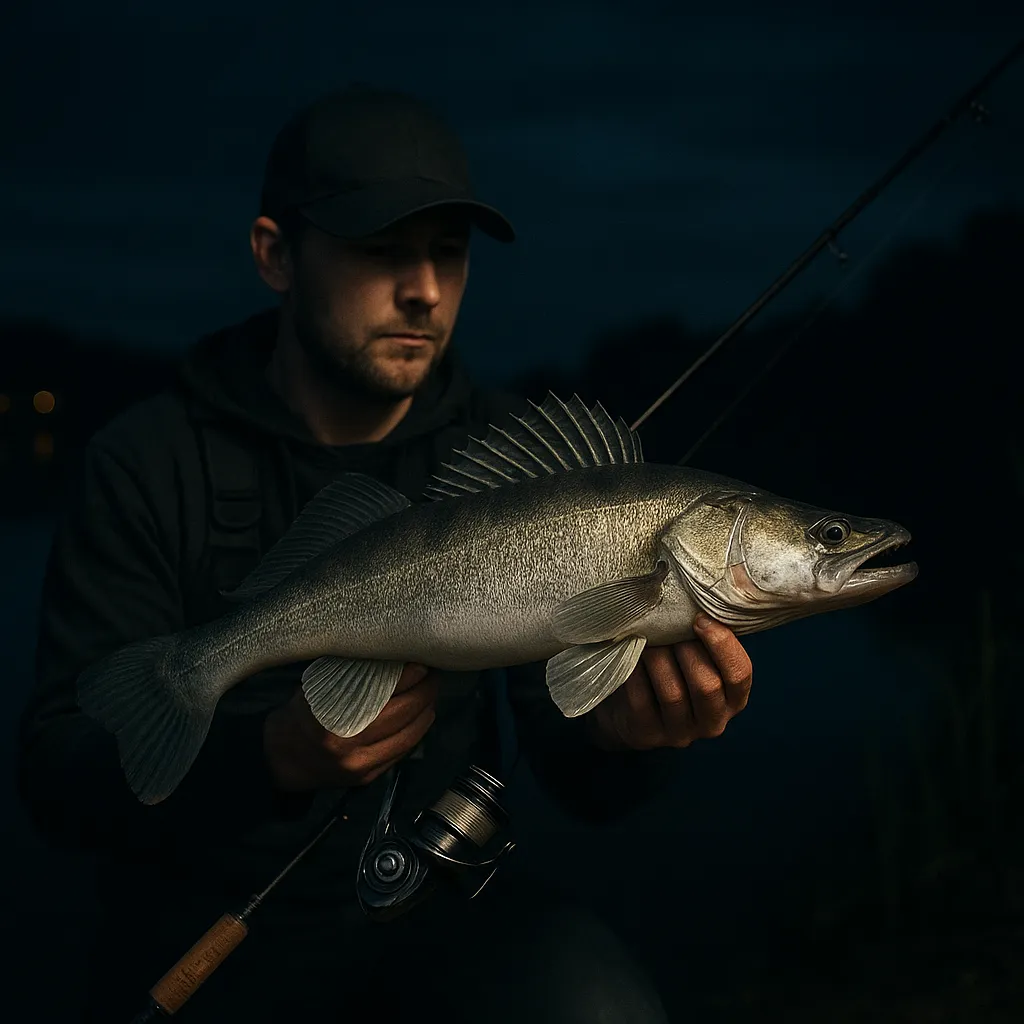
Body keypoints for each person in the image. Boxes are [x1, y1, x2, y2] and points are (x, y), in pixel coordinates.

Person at [16, 85, 754, 1023]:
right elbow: (58, 779)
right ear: (274, 255)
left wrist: (633, 737)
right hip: (207, 930)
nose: (426, 290)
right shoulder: (147, 461)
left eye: (449, 252)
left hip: (441, 910)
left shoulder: (511, 456)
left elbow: (577, 771)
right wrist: (272, 758)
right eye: (380, 250)